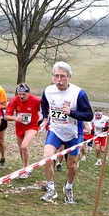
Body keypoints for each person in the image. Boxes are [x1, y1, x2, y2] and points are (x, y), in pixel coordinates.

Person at [39, 61, 93, 204]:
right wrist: (45, 117)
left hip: (73, 133)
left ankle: (68, 187)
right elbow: (44, 102)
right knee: (47, 157)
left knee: (72, 165)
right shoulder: (48, 90)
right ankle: (51, 188)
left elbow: (89, 115)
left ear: (69, 77)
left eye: (62, 76)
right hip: (56, 130)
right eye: (56, 76)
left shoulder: (78, 93)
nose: (59, 80)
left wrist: (72, 113)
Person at [4, 83, 41, 180]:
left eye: (24, 94)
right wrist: (15, 118)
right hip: (20, 126)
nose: (21, 96)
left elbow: (47, 107)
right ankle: (25, 166)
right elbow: (6, 116)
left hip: (32, 125)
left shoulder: (36, 100)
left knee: (24, 145)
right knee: (21, 148)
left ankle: (26, 168)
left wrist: (44, 119)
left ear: (29, 93)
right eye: (20, 94)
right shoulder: (14, 100)